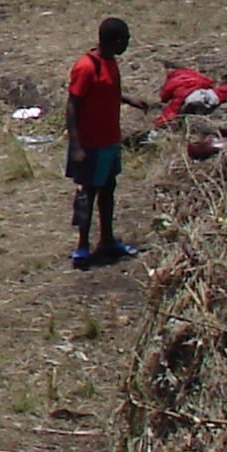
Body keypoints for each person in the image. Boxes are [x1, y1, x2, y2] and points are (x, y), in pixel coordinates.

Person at [67, 17, 155, 270]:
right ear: (115, 41)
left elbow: (108, 91)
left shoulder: (109, 63)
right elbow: (73, 105)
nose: (127, 44)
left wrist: (129, 100)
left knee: (108, 190)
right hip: (90, 143)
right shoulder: (86, 67)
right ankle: (82, 246)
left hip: (109, 140)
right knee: (87, 194)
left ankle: (107, 240)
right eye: (125, 40)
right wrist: (76, 145)